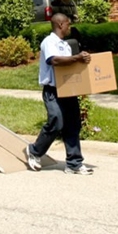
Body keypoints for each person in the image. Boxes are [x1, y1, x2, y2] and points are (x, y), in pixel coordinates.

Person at [25, 13, 94, 175]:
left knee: (73, 124)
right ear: (61, 25)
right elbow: (54, 60)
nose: (69, 28)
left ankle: (74, 163)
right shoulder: (49, 42)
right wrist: (77, 57)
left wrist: (82, 60)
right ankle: (34, 151)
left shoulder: (66, 45)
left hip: (67, 89)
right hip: (52, 90)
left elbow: (70, 66)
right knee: (56, 120)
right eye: (68, 25)